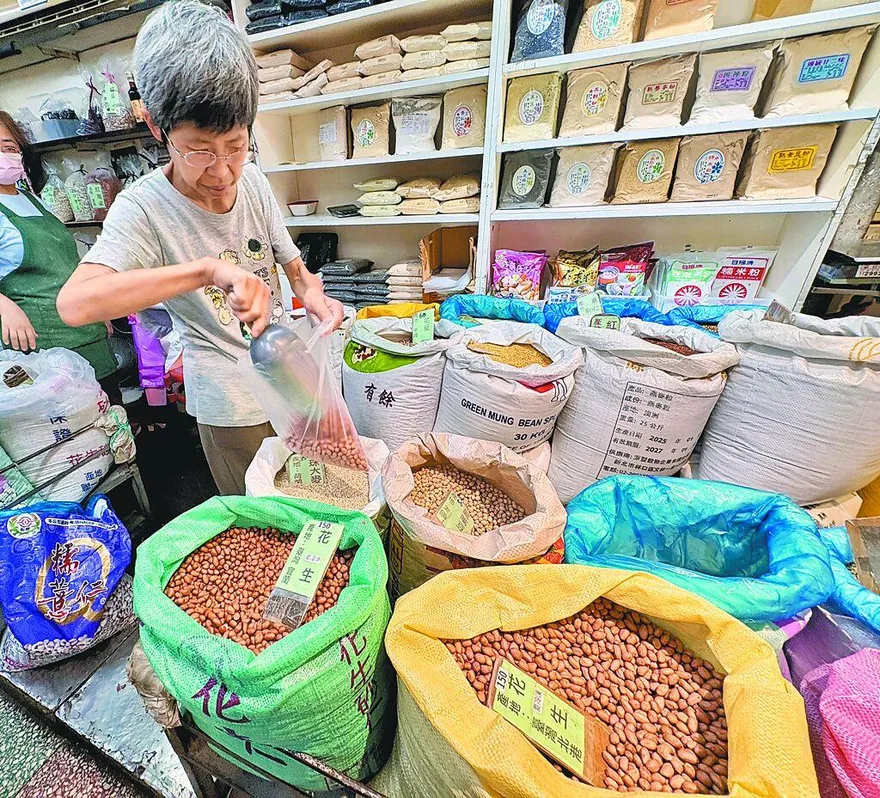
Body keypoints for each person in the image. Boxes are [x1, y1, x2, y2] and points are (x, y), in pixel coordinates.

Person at [56, 0, 344, 496]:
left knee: (326, 492)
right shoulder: (143, 207)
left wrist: (312, 294)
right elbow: (76, 304)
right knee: (263, 521)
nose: (222, 171)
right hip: (229, 403)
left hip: (290, 375)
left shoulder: (251, 181)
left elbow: (293, 266)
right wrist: (207, 270)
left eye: (235, 145)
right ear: (154, 127)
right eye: (199, 150)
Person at [0, 111, 116, 380]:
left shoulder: (33, 199)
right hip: (40, 348)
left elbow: (66, 263)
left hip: (87, 333)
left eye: (8, 147)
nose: (3, 155)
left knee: (112, 418)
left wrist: (97, 307)